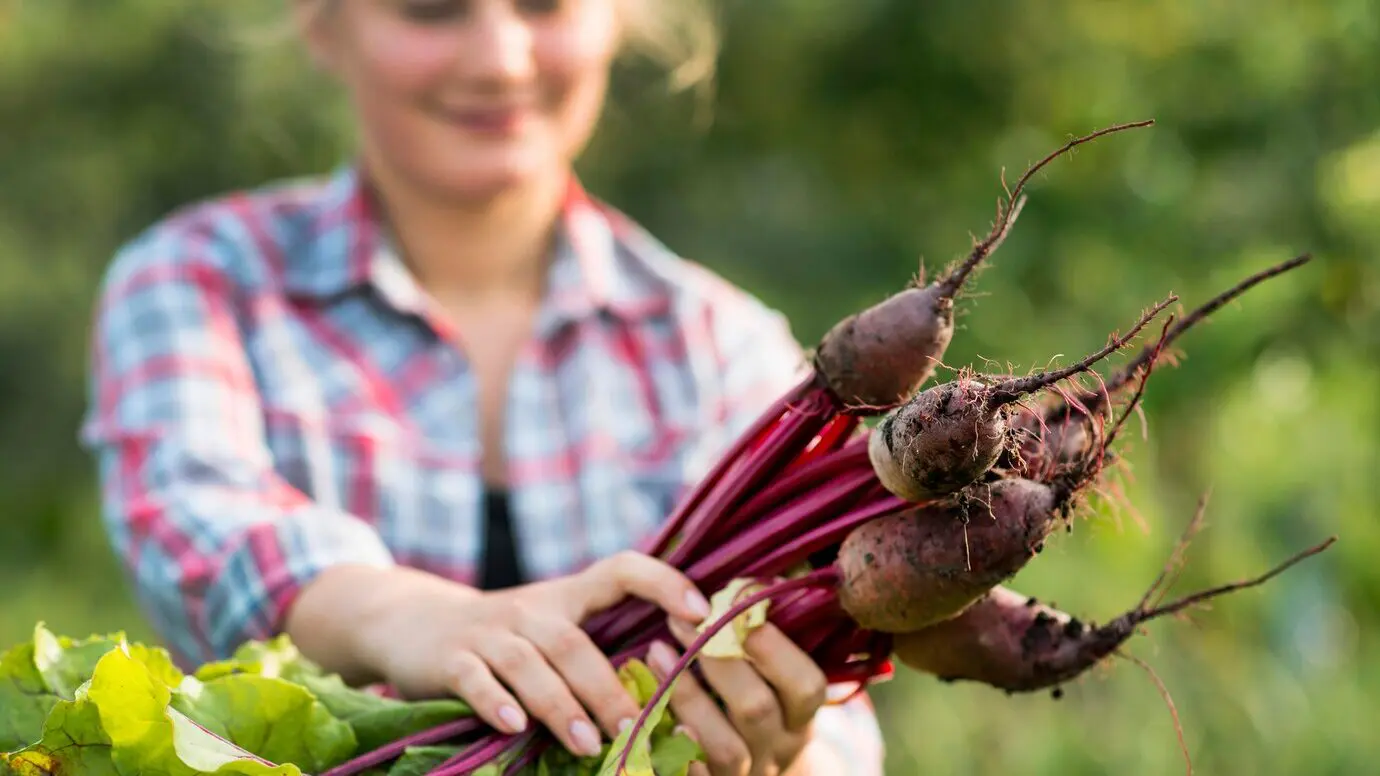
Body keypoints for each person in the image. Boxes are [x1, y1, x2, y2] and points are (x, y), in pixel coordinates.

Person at [79, 1, 885, 774]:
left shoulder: (722, 346)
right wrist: (411, 618)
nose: (501, 60)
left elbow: (841, 723)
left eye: (545, 4)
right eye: (431, 9)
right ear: (323, 22)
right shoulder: (197, 281)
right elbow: (198, 524)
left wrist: (788, 753)